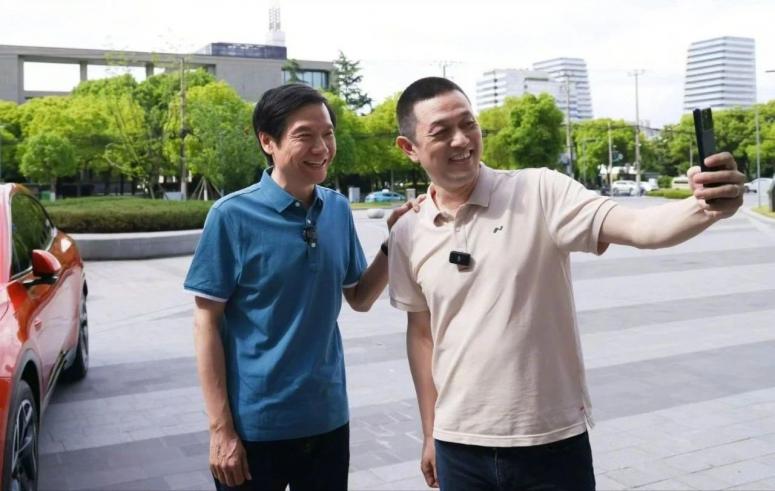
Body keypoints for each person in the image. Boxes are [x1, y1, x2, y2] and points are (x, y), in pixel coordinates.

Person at [387, 77, 745, 490]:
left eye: (469, 124)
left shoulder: (538, 190)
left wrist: (706, 206)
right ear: (409, 148)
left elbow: (640, 227)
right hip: (459, 447)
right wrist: (430, 432)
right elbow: (422, 335)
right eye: (441, 132)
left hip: (550, 442)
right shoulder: (408, 233)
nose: (462, 139)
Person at [184, 83, 413, 491]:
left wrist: (391, 241)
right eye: (304, 135)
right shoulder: (231, 215)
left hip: (327, 420)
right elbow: (206, 324)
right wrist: (220, 429)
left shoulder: (337, 208)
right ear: (267, 142)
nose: (321, 147)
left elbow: (359, 297)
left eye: (328, 134)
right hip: (255, 428)